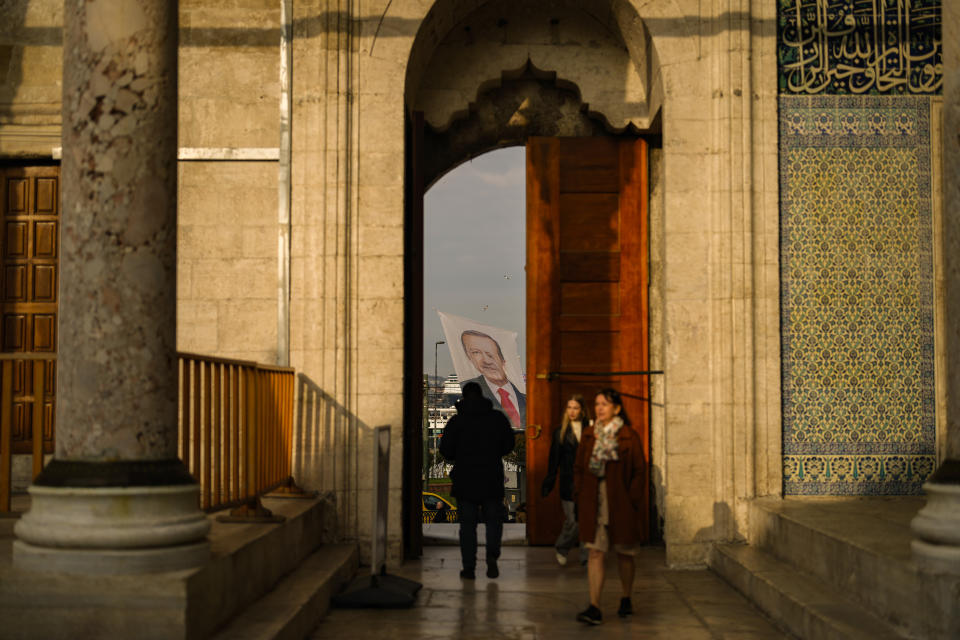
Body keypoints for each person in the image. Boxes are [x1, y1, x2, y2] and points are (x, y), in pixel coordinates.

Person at [573, 388, 645, 625]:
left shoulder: (627, 435)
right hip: (594, 500)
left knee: (625, 552)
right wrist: (580, 492)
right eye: (597, 404)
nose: (600, 408)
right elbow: (579, 468)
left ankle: (626, 597)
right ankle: (594, 606)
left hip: (620, 500)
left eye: (605, 404)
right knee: (595, 552)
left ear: (616, 408)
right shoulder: (589, 434)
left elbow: (638, 471)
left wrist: (632, 501)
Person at [439, 381, 516, 580]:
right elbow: (508, 445)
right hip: (491, 477)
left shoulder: (457, 422)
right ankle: (492, 555)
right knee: (493, 521)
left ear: (464, 397)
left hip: (466, 479)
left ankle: (469, 567)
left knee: (467, 526)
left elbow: (445, 451)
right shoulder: (497, 419)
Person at [541, 394, 590, 566]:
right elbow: (554, 459)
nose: (572, 411)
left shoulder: (590, 430)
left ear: (582, 410)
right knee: (573, 521)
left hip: (586, 482)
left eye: (576, 407)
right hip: (568, 482)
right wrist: (549, 481)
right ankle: (562, 547)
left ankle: (586, 557)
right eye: (569, 407)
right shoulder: (559, 432)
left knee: (586, 520)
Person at [460, 330, 526, 428]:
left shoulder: (526, 399)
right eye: (476, 353)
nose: (486, 361)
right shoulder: (471, 392)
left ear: (503, 361)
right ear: (470, 359)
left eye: (490, 355)